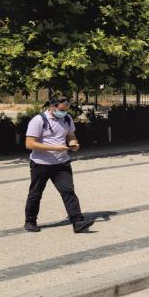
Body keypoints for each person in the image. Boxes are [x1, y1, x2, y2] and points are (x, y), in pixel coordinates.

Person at [24, 95, 90, 233]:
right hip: (41, 164)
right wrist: (55, 148)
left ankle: (78, 222)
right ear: (52, 106)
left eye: (67, 109)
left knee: (68, 191)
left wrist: (73, 143)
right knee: (36, 193)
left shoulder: (67, 118)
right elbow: (29, 144)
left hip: (62, 163)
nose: (64, 112)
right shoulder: (39, 120)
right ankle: (30, 221)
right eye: (62, 109)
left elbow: (71, 135)